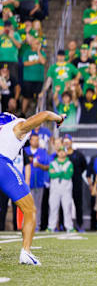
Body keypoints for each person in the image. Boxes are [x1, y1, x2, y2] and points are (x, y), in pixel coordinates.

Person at [0, 111, 65, 265]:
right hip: (2, 164)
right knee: (30, 210)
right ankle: (26, 252)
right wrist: (59, 119)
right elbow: (44, 115)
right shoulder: (16, 127)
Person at [24, 131, 49, 230]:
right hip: (26, 183)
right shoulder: (24, 151)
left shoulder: (42, 152)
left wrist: (39, 165)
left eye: (37, 139)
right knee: (26, 206)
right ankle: (26, 225)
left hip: (39, 183)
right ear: (30, 141)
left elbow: (48, 167)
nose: (35, 141)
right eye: (33, 139)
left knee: (37, 206)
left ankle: (36, 226)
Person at [47, 146, 75, 233]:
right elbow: (51, 175)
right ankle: (51, 226)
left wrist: (58, 173)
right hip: (55, 189)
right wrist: (62, 172)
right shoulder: (53, 163)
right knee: (53, 208)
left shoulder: (69, 163)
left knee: (67, 208)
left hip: (66, 189)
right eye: (60, 151)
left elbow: (68, 175)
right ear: (57, 152)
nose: (61, 153)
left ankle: (69, 226)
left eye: (63, 151)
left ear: (66, 152)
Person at [63, 134, 87, 230]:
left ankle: (79, 225)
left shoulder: (78, 155)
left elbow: (84, 166)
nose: (67, 143)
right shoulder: (61, 154)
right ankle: (64, 225)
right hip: (64, 184)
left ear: (71, 142)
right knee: (64, 205)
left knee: (78, 204)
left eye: (68, 141)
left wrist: (77, 175)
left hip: (76, 183)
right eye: (65, 142)